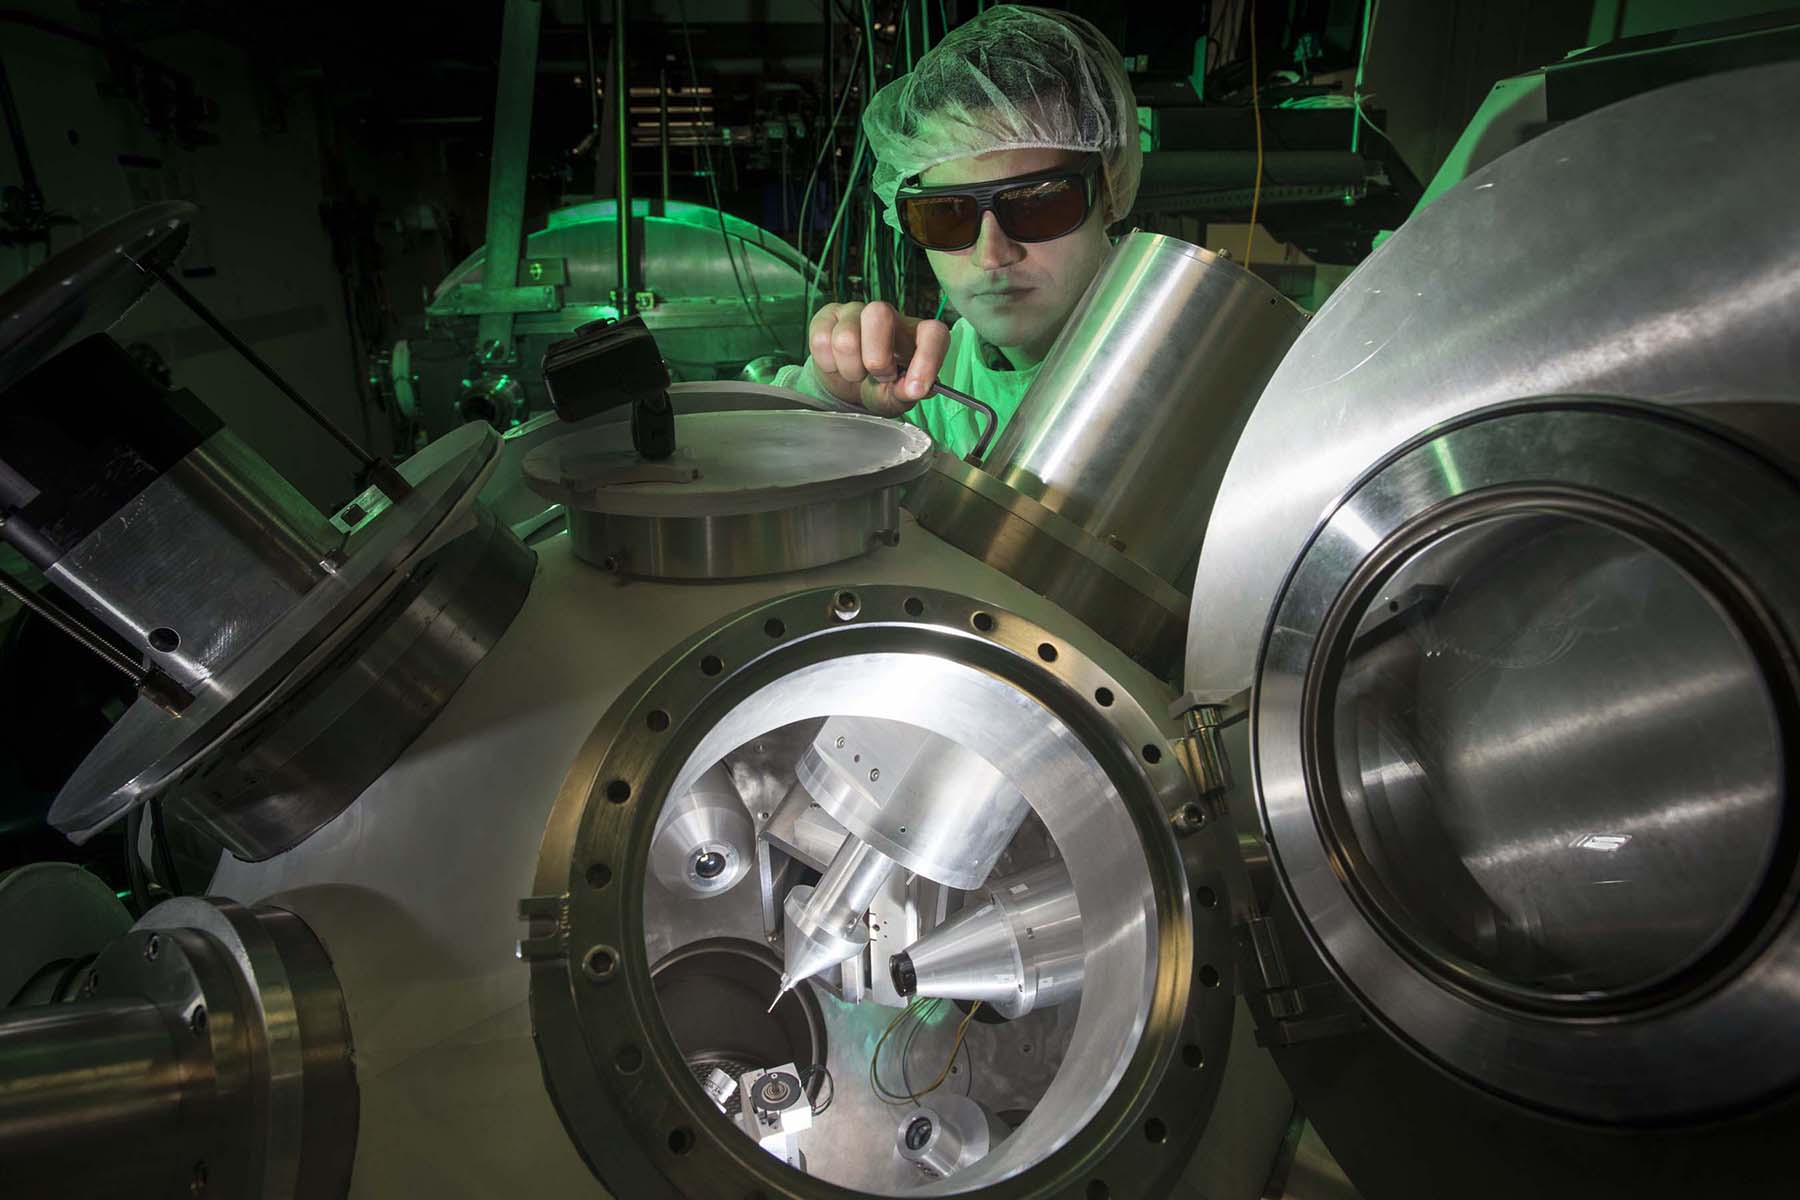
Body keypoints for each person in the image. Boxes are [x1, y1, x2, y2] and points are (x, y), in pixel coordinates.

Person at [775, 6, 1143, 460]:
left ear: (1109, 192)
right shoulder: (928, 388)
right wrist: (834, 400)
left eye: (1036, 204)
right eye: (946, 214)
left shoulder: (1194, 364)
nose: (991, 255)